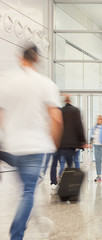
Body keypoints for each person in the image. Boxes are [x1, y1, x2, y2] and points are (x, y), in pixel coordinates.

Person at [0, 46, 63, 240]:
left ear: (21, 58)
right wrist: (54, 143)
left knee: (25, 190)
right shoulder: (45, 84)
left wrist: (6, 136)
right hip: (35, 147)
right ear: (37, 59)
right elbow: (56, 118)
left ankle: (35, 220)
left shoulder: (7, 82)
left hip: (12, 147)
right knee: (28, 190)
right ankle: (16, 235)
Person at [50, 95, 87, 188]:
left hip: (58, 143)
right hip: (70, 145)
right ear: (70, 101)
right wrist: (82, 141)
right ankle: (68, 184)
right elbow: (79, 126)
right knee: (70, 165)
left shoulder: (60, 111)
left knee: (54, 163)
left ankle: (53, 182)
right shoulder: (75, 111)